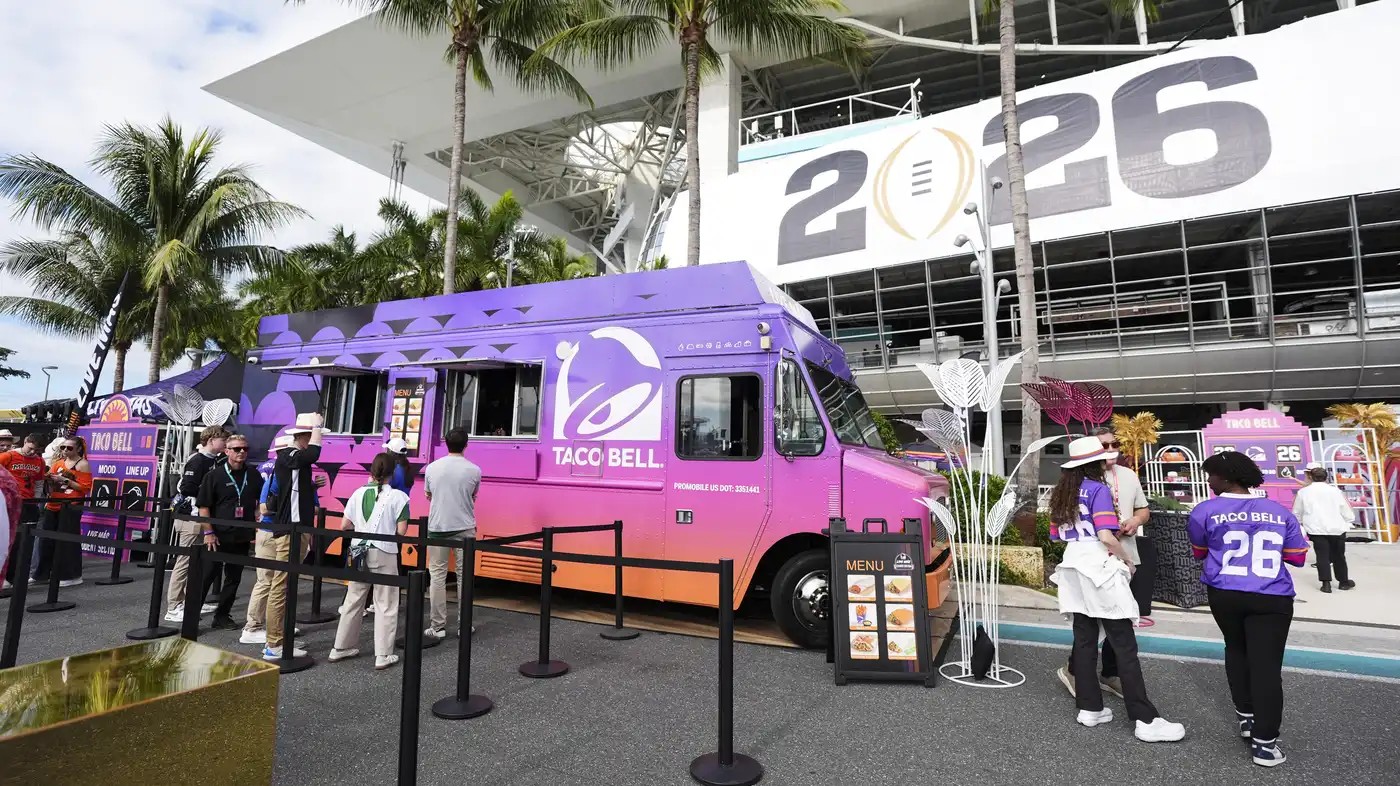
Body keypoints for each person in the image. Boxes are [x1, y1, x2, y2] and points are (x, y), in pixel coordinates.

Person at [1048, 435, 1184, 742]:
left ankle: (1090, 708)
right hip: (1101, 567)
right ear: (1094, 463)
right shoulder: (1097, 489)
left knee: (1083, 641)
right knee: (1124, 644)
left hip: (1071, 568)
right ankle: (1146, 720)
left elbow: (1057, 536)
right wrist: (1128, 562)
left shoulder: (1061, 492)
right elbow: (1107, 536)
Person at [1189, 451, 1309, 767]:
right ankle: (1266, 745)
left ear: (1226, 478)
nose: (1209, 480)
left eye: (1211, 475)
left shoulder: (1204, 510)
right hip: (1271, 596)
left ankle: (1246, 719)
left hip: (1225, 594)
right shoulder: (1278, 511)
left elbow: (1199, 551)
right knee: (1266, 667)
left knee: (1237, 650)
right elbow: (1297, 557)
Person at [1056, 427, 1153, 699]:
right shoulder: (1088, 486)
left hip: (1120, 555)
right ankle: (1084, 678)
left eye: (1113, 444)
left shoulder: (1128, 476)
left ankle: (1102, 685)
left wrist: (1134, 522)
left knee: (1104, 628)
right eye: (1104, 446)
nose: (1111, 450)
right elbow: (1102, 535)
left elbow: (1143, 509)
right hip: (1105, 559)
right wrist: (1109, 537)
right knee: (1101, 628)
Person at [329, 453, 410, 670]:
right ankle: (383, 654)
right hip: (384, 552)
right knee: (386, 603)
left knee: (354, 599)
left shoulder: (357, 493)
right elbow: (401, 531)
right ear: (392, 473)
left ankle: (340, 647)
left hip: (357, 552)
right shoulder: (399, 497)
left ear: (371, 471)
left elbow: (344, 525)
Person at [261, 414, 324, 661]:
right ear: (302, 436)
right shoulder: (288, 454)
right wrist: (317, 427)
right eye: (312, 436)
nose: (316, 440)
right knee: (281, 585)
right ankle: (274, 643)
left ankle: (279, 639)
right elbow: (313, 454)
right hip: (291, 529)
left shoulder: (293, 458)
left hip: (296, 528)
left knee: (285, 585)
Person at [195, 433, 263, 630]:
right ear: (227, 451)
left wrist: (257, 517)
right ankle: (191, 615)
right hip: (217, 535)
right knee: (207, 576)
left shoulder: (253, 474)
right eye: (237, 449)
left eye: (245, 449)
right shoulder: (214, 476)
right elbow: (204, 507)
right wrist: (208, 532)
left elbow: (260, 502)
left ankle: (222, 616)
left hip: (241, 535)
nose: (242, 452)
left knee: (234, 578)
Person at [165, 426, 229, 623]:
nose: (225, 444)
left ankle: (189, 600)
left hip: (202, 516)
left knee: (198, 561)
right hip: (191, 516)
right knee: (184, 562)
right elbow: (187, 487)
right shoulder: (198, 459)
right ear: (211, 439)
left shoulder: (214, 460)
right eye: (223, 440)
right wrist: (210, 493)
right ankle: (174, 606)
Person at [423, 427, 481, 640]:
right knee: (464, 576)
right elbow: (473, 496)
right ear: (466, 445)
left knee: (437, 576)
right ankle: (464, 625)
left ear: (445, 443)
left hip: (438, 528)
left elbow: (428, 494)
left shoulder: (432, 468)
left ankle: (437, 626)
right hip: (465, 529)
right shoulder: (474, 470)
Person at [241, 438, 297, 646]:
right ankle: (254, 627)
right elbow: (264, 508)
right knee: (270, 582)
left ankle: (272, 625)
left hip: (271, 530)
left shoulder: (272, 469)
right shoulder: (279, 472)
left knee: (273, 582)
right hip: (273, 530)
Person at [33, 435, 92, 587]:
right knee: (46, 541)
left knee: (67, 541)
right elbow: (51, 482)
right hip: (53, 504)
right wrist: (48, 479)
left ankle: (72, 575)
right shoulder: (58, 463)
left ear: (78, 449)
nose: (65, 450)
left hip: (71, 505)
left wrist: (65, 481)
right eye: (63, 447)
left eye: (69, 448)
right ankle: (43, 573)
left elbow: (85, 488)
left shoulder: (82, 464)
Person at [1292, 465, 1356, 593]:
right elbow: (1344, 508)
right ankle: (1343, 582)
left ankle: (1325, 584)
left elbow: (1297, 511)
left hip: (1315, 528)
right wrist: (1349, 520)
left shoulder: (1304, 492)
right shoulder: (1335, 491)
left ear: (1311, 477)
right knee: (1339, 555)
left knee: (1322, 556)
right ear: (1326, 477)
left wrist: (1300, 523)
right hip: (1336, 527)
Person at [1, 436, 47, 591]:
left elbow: (39, 483)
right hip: (9, 502)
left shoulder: (39, 461)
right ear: (26, 442)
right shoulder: (9, 456)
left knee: (24, 542)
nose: (32, 452)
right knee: (8, 540)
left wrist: (36, 500)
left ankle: (15, 576)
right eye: (30, 448)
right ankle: (6, 576)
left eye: (36, 450)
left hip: (28, 503)